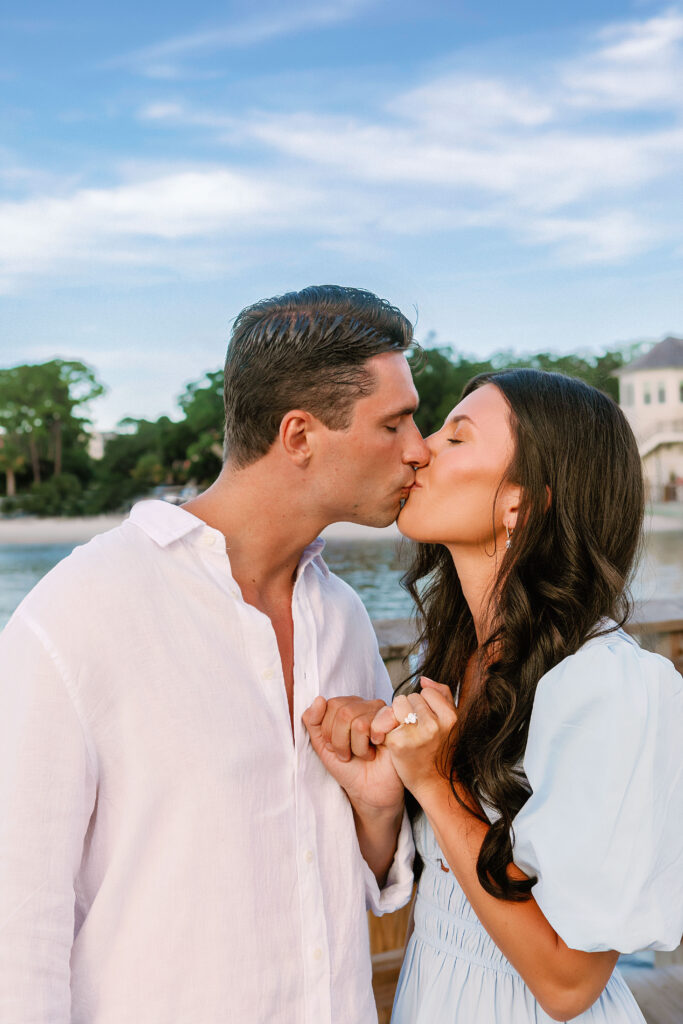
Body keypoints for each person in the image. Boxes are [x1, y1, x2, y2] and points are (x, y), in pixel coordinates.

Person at [0, 285, 430, 1023]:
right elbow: (18, 928)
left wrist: (378, 813)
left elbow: (348, 874)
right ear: (299, 436)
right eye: (393, 423)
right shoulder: (76, 616)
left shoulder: (343, 618)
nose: (417, 447)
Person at [305, 369, 683, 1023]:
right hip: (437, 992)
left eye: (456, 438)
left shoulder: (607, 686)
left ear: (519, 503)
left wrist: (434, 781)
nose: (419, 448)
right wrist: (381, 797)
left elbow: (568, 983)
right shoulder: (459, 659)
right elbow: (440, 883)